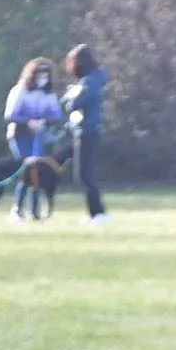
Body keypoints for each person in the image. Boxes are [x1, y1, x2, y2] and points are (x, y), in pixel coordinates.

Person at [2, 58, 65, 223]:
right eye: (39, 73)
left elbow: (56, 114)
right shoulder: (20, 90)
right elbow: (10, 115)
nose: (43, 77)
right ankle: (17, 210)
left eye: (46, 74)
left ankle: (35, 211)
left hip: (39, 136)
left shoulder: (48, 93)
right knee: (28, 169)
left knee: (38, 171)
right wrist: (28, 122)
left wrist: (44, 121)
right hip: (20, 135)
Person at [63, 43, 110, 226]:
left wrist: (70, 98)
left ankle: (98, 213)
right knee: (85, 174)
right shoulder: (94, 79)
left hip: (87, 131)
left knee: (84, 175)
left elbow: (76, 103)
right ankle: (94, 213)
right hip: (89, 130)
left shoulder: (89, 82)